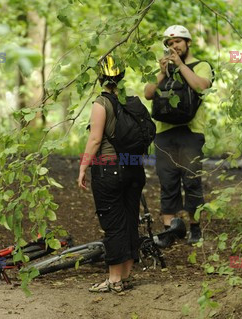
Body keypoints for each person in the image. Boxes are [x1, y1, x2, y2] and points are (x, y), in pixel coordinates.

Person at [77, 55, 146, 293]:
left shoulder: (101, 103)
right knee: (129, 220)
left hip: (109, 169)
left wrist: (83, 166)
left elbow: (95, 138)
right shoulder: (131, 101)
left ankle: (114, 280)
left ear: (100, 77)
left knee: (114, 222)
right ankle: (125, 276)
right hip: (135, 167)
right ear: (122, 75)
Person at [144, 25, 214, 247]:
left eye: (178, 42)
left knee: (191, 181)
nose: (174, 46)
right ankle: (169, 231)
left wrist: (181, 65)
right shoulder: (165, 70)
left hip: (191, 132)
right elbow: (148, 93)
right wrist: (163, 71)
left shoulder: (201, 65)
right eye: (170, 44)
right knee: (168, 181)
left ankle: (194, 228)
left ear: (188, 42)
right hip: (164, 132)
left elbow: (201, 86)